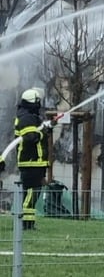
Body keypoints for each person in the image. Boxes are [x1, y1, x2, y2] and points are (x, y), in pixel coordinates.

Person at [0, 88, 55, 230]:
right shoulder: (26, 118)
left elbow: (35, 132)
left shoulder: (28, 116)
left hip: (35, 162)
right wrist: (43, 132)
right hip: (31, 162)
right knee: (32, 192)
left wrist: (47, 127)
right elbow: (31, 137)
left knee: (33, 193)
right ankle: (25, 223)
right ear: (34, 103)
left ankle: (28, 223)